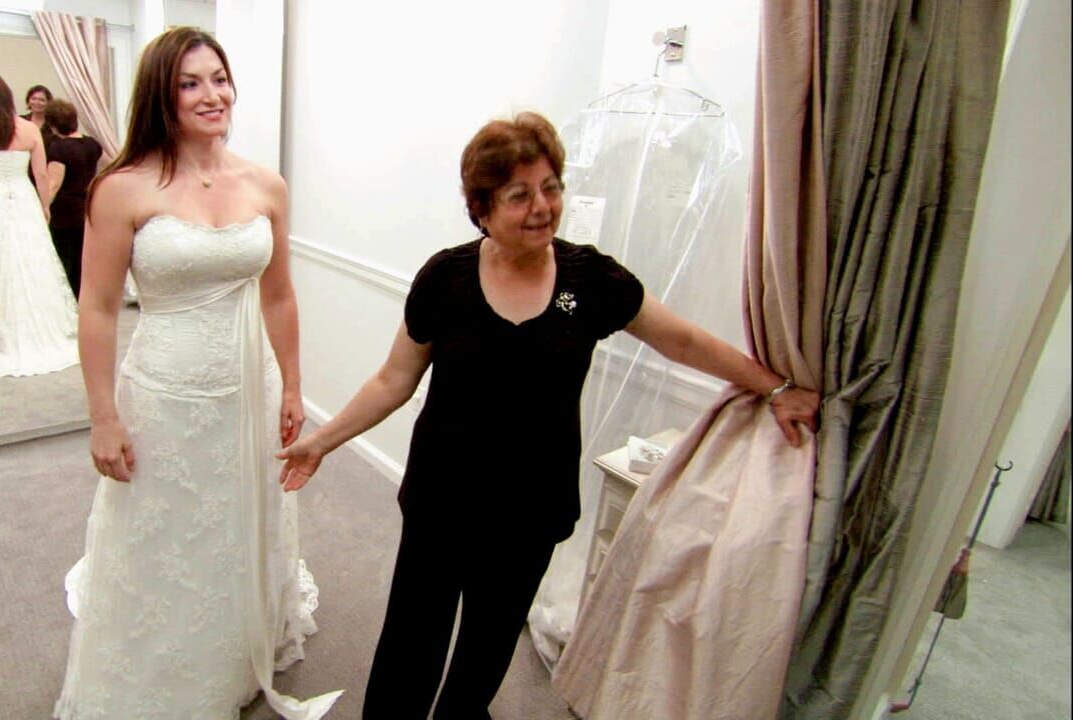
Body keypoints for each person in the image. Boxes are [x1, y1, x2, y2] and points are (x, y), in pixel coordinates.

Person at [276, 111, 821, 719]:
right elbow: (393, 380)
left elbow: (682, 340)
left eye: (551, 187)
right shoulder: (446, 278)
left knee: (487, 644)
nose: (542, 207)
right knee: (413, 638)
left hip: (532, 505)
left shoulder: (589, 279)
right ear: (482, 209)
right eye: (519, 195)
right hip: (443, 495)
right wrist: (322, 441)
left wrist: (775, 386)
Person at [53, 28, 340, 720]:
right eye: (190, 83)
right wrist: (102, 417)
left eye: (219, 78)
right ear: (162, 93)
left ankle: (235, 643)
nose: (212, 95)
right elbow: (97, 308)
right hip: (164, 393)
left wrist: (292, 385)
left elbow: (279, 295)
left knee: (239, 519)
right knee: (165, 529)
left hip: (249, 388)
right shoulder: (121, 188)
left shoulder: (265, 185)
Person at [0, 73, 78, 378]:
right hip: (23, 197)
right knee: (31, 256)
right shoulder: (28, 129)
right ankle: (40, 317)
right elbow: (41, 174)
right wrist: (45, 205)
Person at [43, 98, 102, 298]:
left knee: (65, 260)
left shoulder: (59, 148)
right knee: (82, 260)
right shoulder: (92, 144)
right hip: (86, 209)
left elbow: (54, 184)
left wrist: (43, 209)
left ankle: (69, 301)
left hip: (64, 213)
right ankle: (83, 299)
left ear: (52, 125)